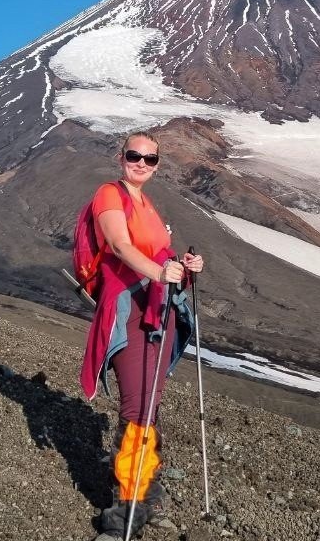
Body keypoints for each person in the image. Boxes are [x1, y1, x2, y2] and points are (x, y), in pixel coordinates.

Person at [80, 131, 204, 539]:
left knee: (148, 405)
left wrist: (184, 267)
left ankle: (146, 498)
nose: (141, 164)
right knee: (137, 408)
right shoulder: (108, 194)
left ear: (157, 164)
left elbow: (159, 256)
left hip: (158, 312)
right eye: (135, 156)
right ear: (121, 157)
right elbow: (118, 245)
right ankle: (123, 519)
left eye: (150, 159)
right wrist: (158, 272)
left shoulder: (148, 204)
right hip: (128, 311)